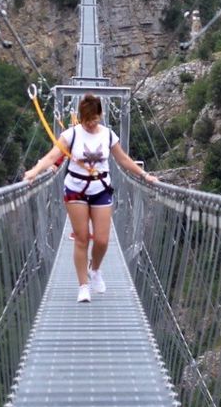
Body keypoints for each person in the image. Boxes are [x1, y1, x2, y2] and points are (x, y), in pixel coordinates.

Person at [23, 94, 157, 303]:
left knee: (102, 240)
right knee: (82, 238)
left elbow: (122, 159)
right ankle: (83, 286)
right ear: (80, 118)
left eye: (94, 119)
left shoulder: (108, 135)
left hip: (101, 188)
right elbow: (52, 156)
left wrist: (144, 175)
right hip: (75, 189)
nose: (90, 124)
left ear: (100, 115)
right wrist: (34, 171)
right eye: (86, 120)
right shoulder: (71, 135)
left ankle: (94, 269)